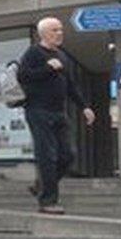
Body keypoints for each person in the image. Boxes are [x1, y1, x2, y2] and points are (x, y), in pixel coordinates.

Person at [18, 17, 96, 215]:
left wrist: (84, 107)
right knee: (47, 156)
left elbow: (70, 85)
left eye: (61, 29)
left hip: (59, 112)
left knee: (68, 155)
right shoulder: (34, 52)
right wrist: (47, 68)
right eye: (55, 30)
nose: (60, 33)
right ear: (43, 33)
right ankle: (48, 202)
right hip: (38, 111)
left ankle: (40, 184)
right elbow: (23, 76)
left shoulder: (63, 56)